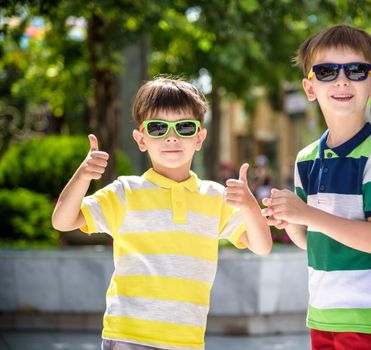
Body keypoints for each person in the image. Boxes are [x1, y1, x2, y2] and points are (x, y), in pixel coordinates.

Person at [51, 77, 272, 350]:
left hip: (187, 340)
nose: (171, 136)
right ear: (141, 139)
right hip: (127, 336)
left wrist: (250, 205)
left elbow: (261, 247)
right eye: (158, 127)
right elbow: (62, 221)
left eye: (184, 127)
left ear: (199, 137)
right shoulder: (125, 192)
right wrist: (83, 175)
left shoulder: (216, 198)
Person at [262, 24, 371, 350]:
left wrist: (307, 215)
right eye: (327, 71)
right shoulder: (306, 158)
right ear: (310, 87)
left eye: (355, 70)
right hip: (323, 313)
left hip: (369, 316)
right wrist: (289, 220)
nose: (342, 80)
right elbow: (306, 238)